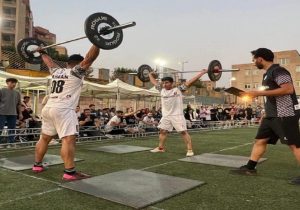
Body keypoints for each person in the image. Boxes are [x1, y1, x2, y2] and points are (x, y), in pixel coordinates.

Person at [230, 48, 300, 185]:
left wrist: (257, 93)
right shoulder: (266, 75)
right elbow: (271, 96)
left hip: (284, 114)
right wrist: (265, 112)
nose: (253, 62)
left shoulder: (278, 71)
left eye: (254, 60)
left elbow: (288, 89)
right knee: (260, 141)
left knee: (295, 145)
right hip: (271, 115)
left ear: (260, 59)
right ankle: (250, 168)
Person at [32, 44, 100, 181]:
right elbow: (89, 58)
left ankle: (37, 165)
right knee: (68, 140)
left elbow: (49, 62)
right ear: (78, 64)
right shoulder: (76, 72)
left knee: (44, 138)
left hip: (48, 108)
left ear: (68, 63)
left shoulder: (56, 72)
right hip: (64, 109)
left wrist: (42, 52)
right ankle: (70, 172)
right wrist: (97, 43)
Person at [149, 69, 208, 156]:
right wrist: (150, 74)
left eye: (167, 83)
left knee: (183, 132)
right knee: (162, 131)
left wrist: (202, 73)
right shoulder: (161, 90)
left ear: (172, 83)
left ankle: (190, 149)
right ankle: (160, 148)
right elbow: (154, 82)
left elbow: (191, 81)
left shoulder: (178, 90)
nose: (165, 84)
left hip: (177, 115)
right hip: (166, 116)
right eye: (163, 83)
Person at [0, 78, 22, 145]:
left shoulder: (17, 93)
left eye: (15, 83)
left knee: (12, 129)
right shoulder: (2, 90)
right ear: (7, 83)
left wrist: (20, 113)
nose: (14, 84)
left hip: (13, 113)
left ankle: (11, 143)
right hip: (2, 113)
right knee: (0, 128)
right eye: (12, 82)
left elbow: (19, 104)